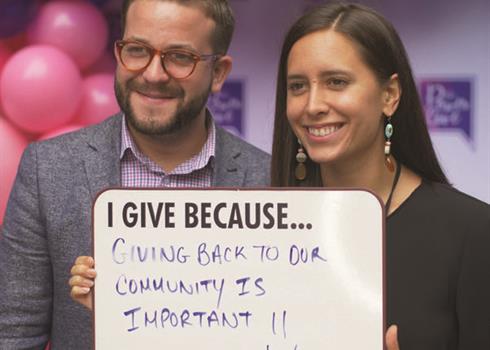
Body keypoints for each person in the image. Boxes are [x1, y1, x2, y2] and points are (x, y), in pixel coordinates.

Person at [0, 0, 269, 348]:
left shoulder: (269, 178)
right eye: (137, 50)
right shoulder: (47, 168)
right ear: (118, 52)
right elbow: (14, 333)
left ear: (218, 73)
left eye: (179, 57)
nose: (153, 74)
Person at [269, 2, 489, 350]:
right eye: (297, 86)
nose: (312, 105)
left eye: (336, 82)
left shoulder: (473, 232)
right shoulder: (262, 232)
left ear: (389, 95)